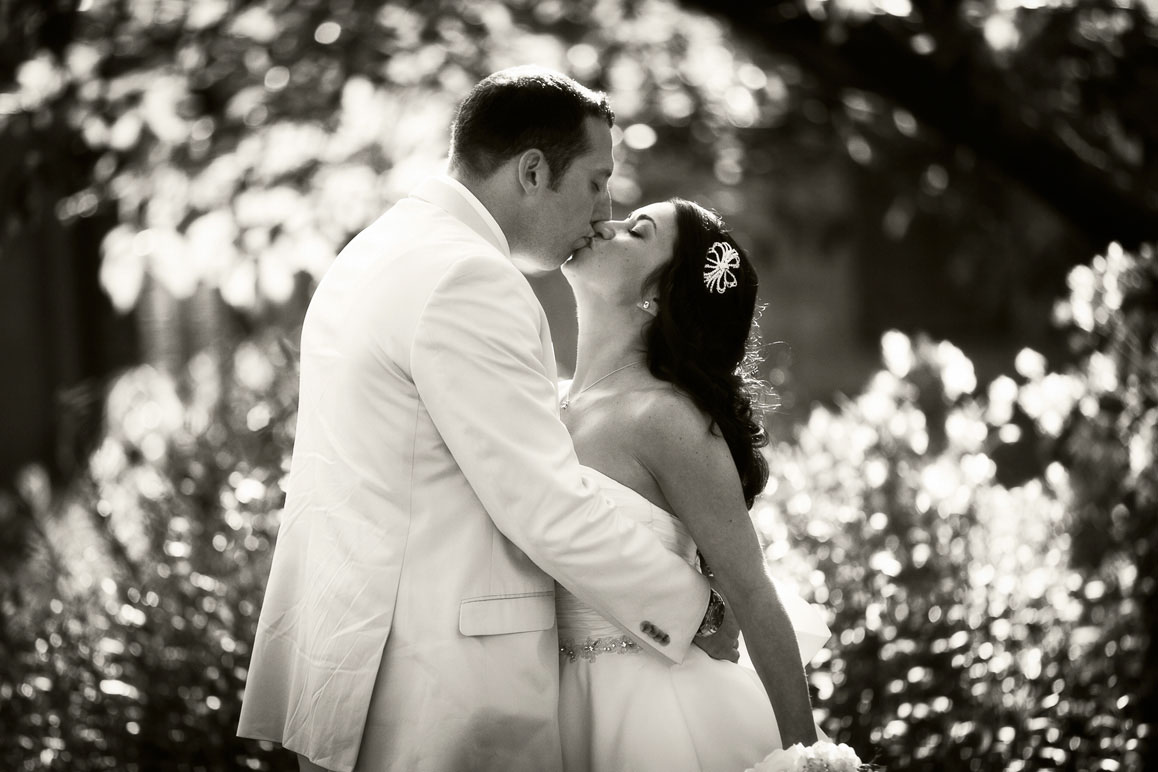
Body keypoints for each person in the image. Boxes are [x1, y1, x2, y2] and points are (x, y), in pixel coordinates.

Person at [237, 67, 735, 772]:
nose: (604, 212)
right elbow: (545, 506)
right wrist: (698, 613)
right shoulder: (470, 280)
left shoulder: (371, 253)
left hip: (348, 666)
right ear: (533, 171)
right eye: (596, 182)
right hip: (439, 692)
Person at [555, 198, 832, 771]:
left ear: (657, 296)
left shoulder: (666, 417)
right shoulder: (544, 404)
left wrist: (811, 759)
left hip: (654, 721)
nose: (603, 225)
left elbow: (754, 595)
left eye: (637, 231)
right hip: (546, 708)